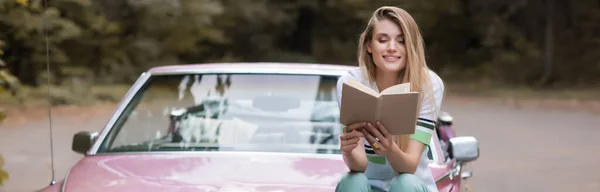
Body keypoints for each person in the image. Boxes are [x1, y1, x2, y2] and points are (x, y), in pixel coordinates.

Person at [334, 6, 445, 192]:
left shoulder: (429, 84)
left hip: (411, 186)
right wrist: (348, 150)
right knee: (352, 181)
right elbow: (359, 166)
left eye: (401, 41)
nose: (392, 48)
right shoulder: (350, 83)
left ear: (410, 47)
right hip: (368, 186)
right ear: (369, 45)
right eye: (382, 40)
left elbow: (409, 167)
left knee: (405, 183)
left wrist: (389, 149)